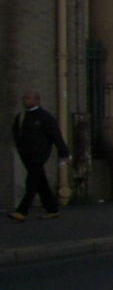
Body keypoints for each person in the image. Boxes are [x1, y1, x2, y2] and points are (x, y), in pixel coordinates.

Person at [11, 91, 69, 222]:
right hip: (26, 154)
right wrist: (20, 148)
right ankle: (52, 208)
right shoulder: (21, 117)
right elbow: (16, 133)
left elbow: (55, 135)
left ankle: (22, 211)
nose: (25, 101)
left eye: (28, 98)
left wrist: (63, 152)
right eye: (24, 98)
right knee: (40, 181)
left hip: (40, 154)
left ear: (37, 100)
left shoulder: (45, 117)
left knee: (31, 182)